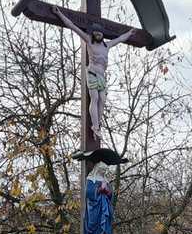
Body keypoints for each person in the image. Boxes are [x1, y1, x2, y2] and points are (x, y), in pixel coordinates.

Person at [54, 8, 135, 139]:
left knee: (102, 99)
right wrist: (59, 14)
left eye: (100, 32)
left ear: (102, 34)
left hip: (101, 75)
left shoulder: (107, 45)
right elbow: (72, 26)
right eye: (96, 32)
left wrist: (130, 33)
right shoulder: (88, 41)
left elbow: (120, 38)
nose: (98, 34)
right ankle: (95, 127)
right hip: (92, 72)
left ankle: (97, 125)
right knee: (95, 98)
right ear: (93, 33)